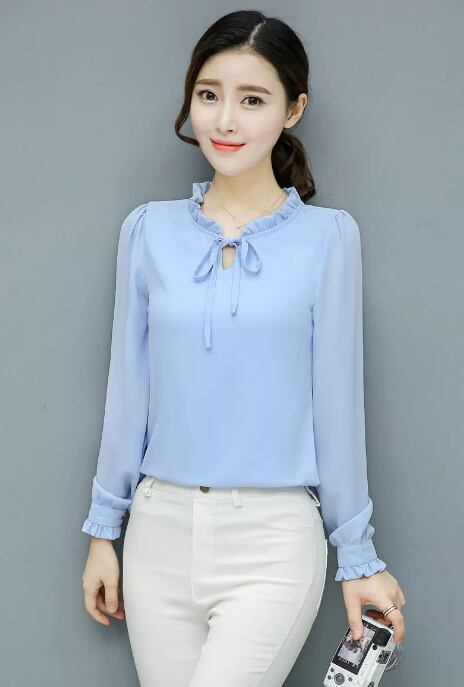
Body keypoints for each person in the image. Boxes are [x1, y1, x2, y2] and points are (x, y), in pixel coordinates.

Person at [81, 9, 406, 686]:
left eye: (252, 100)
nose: (225, 120)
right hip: (157, 535)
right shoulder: (146, 231)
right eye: (209, 94)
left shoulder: (328, 238)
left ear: (294, 110)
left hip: (272, 540)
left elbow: (338, 406)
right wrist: (103, 531)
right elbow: (128, 392)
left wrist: (358, 556)